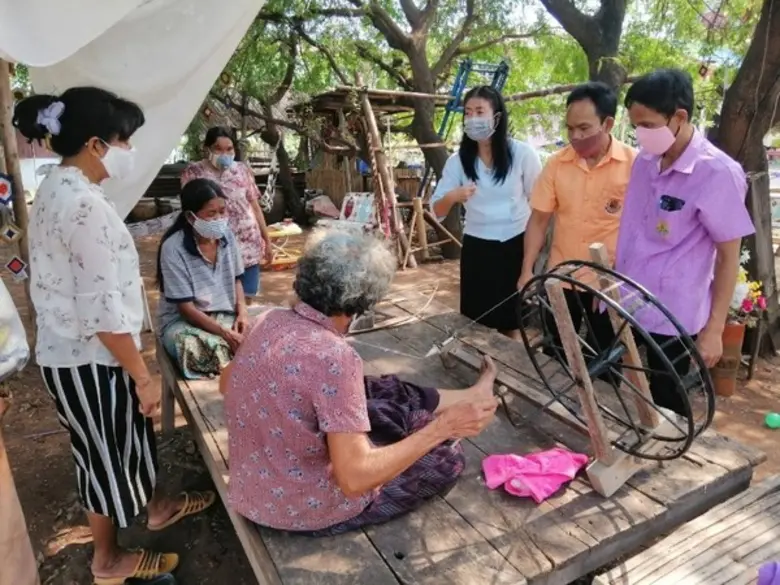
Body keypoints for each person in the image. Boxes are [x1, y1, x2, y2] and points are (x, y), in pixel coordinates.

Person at [14, 87, 215, 584]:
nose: (131, 152)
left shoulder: (61, 188)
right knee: (103, 455)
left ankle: (157, 504)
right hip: (90, 358)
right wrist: (143, 376)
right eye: (126, 141)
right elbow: (102, 311)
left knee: (123, 441)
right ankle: (108, 558)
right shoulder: (83, 205)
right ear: (96, 144)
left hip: (80, 353)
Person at [221, 229, 498, 535]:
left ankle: (472, 393)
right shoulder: (335, 357)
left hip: (252, 491)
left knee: (376, 390)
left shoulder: (267, 319)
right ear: (362, 303)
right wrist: (443, 428)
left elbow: (226, 384)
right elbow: (353, 481)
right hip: (298, 509)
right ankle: (458, 408)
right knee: (447, 456)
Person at [616, 69, 755, 414]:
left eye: (648, 126)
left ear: (679, 117)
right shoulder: (645, 162)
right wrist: (611, 289)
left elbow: (727, 256)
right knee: (625, 387)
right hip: (630, 297)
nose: (641, 135)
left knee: (668, 398)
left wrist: (714, 329)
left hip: (673, 312)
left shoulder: (718, 173)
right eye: (636, 127)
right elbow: (633, 230)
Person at [519, 82, 636, 367]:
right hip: (561, 278)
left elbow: (641, 229)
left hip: (608, 284)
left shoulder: (635, 164)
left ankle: (602, 409)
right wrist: (526, 270)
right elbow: (539, 220)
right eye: (570, 129)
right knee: (555, 355)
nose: (575, 136)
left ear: (607, 123)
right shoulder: (557, 165)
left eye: (584, 129)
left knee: (606, 358)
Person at [430, 85, 542, 340]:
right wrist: (452, 196)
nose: (472, 119)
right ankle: (480, 369)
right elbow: (436, 209)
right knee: (475, 320)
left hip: (516, 243)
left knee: (511, 320)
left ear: (497, 117)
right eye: (467, 113)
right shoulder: (457, 161)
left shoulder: (523, 154)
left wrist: (530, 263)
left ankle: (508, 373)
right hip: (477, 247)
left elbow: (540, 206)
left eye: (480, 111)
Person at [157, 178, 248, 379]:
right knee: (191, 346)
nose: (220, 218)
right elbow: (186, 309)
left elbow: (237, 279)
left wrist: (242, 313)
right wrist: (225, 334)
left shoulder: (227, 237)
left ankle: (233, 359)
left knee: (268, 327)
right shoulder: (173, 249)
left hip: (224, 314)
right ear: (190, 218)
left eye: (222, 211)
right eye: (211, 213)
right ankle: (234, 361)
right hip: (183, 323)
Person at [181, 126, 272, 302]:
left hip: (247, 244)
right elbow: (189, 209)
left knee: (246, 299)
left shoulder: (242, 170)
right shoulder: (194, 172)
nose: (224, 153)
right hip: (212, 245)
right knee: (216, 300)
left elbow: (254, 205)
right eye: (218, 148)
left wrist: (266, 240)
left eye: (229, 149)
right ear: (207, 148)